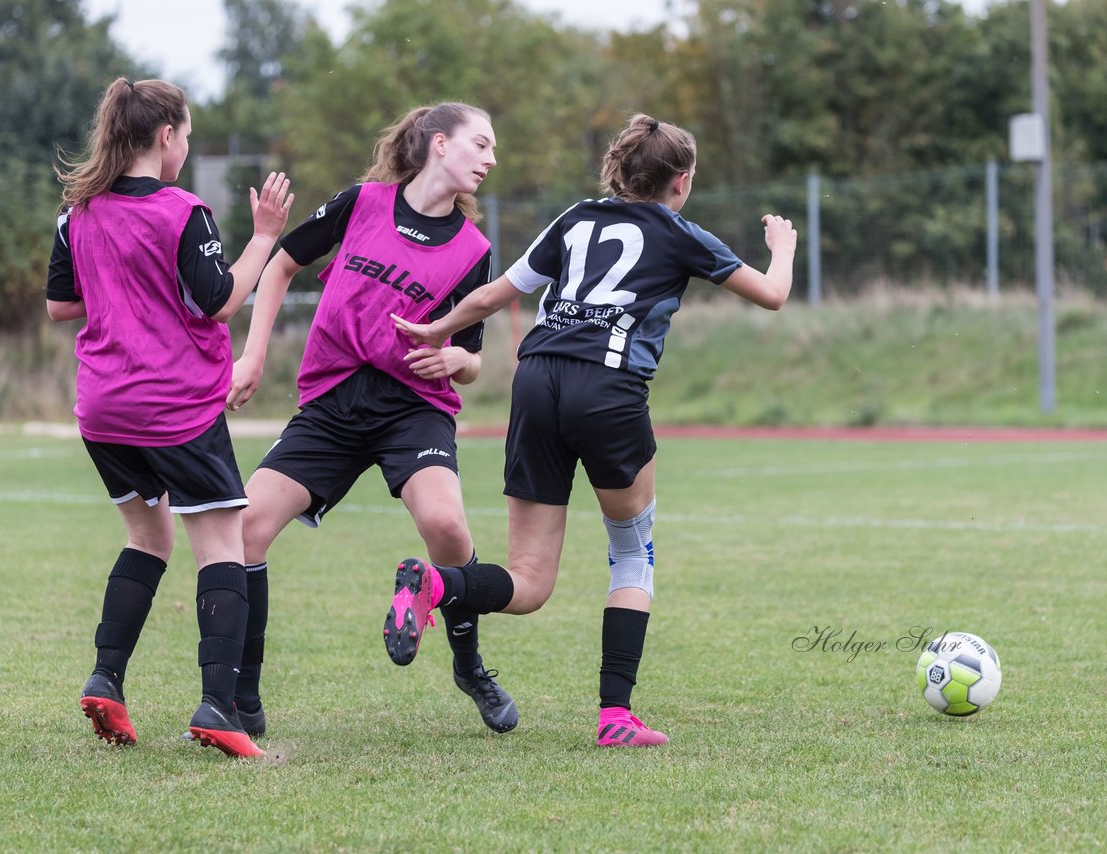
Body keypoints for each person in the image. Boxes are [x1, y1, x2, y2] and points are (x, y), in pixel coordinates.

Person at [389, 113, 797, 747]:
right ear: (680, 181)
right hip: (606, 388)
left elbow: (497, 293)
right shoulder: (679, 230)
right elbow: (772, 294)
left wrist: (435, 329)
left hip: (536, 378)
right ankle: (615, 717)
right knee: (632, 553)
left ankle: (439, 583)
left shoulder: (576, 218)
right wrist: (783, 246)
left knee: (528, 581)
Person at [226, 102, 518, 736]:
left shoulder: (474, 250)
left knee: (446, 526)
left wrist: (452, 360)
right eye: (482, 144)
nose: (492, 159)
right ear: (440, 144)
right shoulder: (361, 203)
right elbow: (280, 266)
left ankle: (469, 667)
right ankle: (241, 698)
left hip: (413, 408)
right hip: (332, 403)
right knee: (245, 527)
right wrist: (251, 355)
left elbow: (472, 360)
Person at [46, 77, 294, 758]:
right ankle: (219, 706)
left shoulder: (78, 212)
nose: (187, 145)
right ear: (166, 136)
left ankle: (106, 677)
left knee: (147, 539)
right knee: (222, 548)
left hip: (103, 408)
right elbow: (218, 303)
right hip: (175, 407)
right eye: (187, 133)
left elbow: (61, 305)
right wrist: (264, 238)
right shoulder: (183, 211)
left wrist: (123, 291)